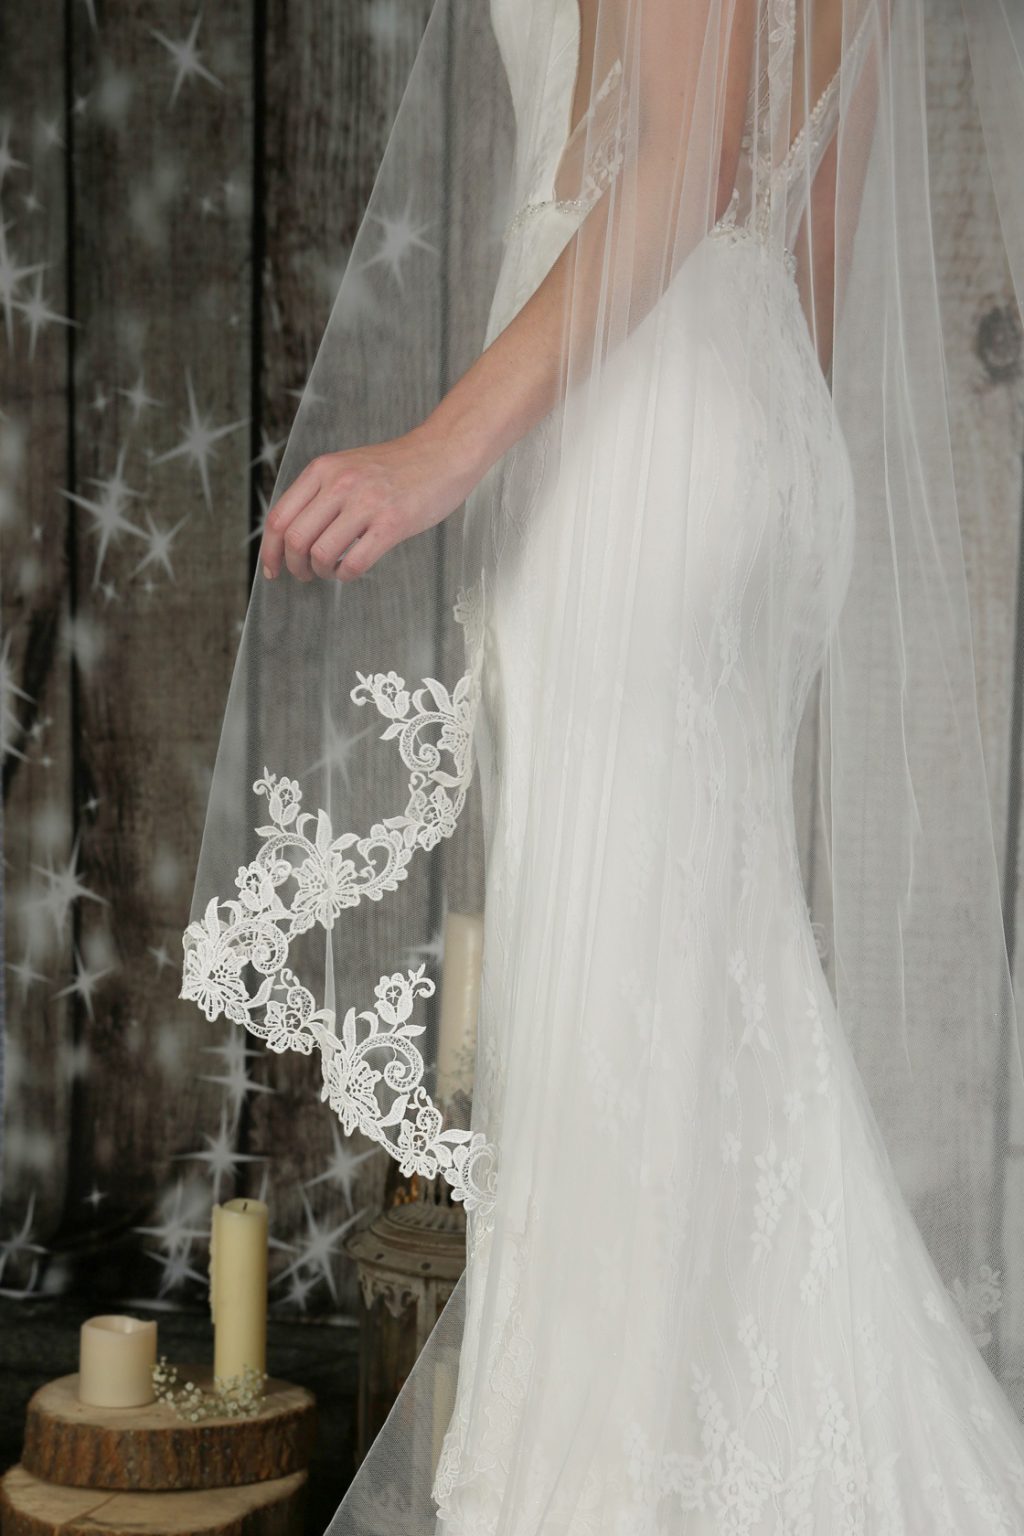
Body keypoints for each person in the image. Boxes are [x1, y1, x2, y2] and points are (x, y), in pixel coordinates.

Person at [181, 0, 1024, 1529]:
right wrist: (764, 465)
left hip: (637, 424)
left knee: (609, 1017)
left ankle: (596, 1492)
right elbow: (813, 213)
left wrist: (438, 451)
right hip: (753, 411)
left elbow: (679, 150)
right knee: (702, 1000)